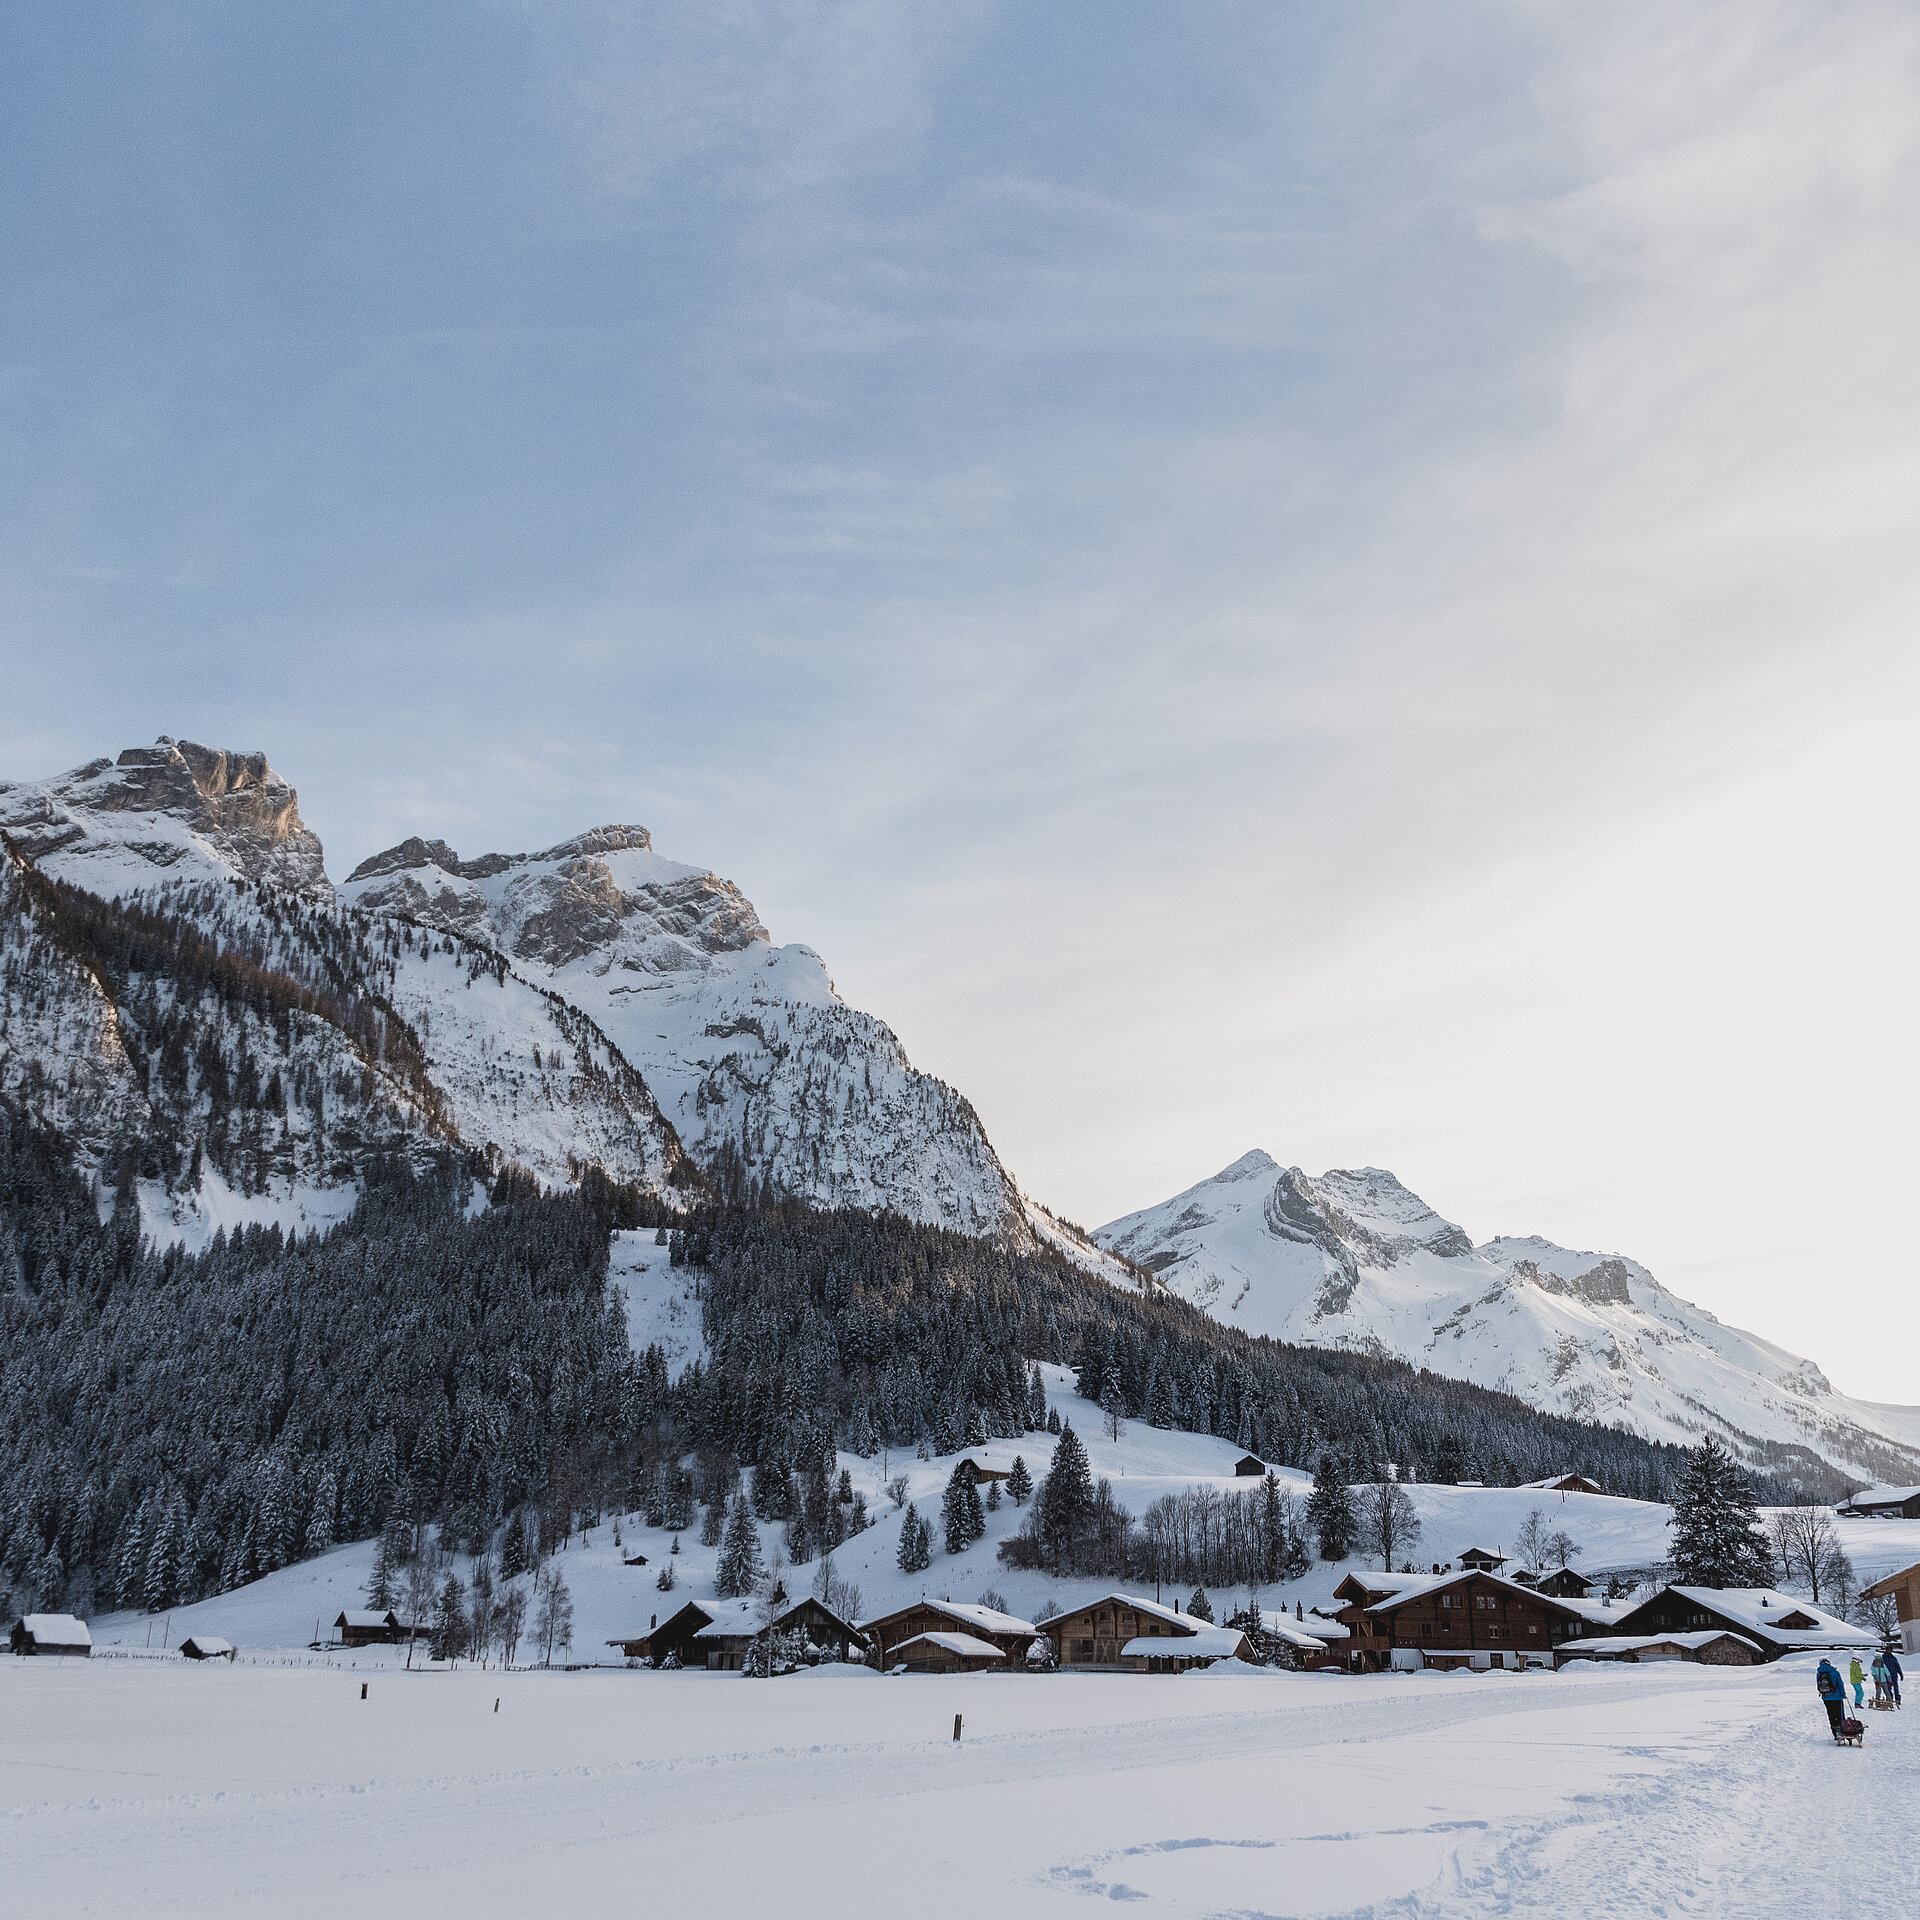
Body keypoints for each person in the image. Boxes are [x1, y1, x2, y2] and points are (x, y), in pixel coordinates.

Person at [1816, 1658, 1846, 1736]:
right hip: (1837, 1697)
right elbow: (1840, 1684)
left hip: (1826, 1697)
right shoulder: (1835, 1672)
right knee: (1839, 1714)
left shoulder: (1819, 1673)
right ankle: (1842, 1731)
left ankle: (1835, 1733)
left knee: (1831, 1714)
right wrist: (1843, 1694)